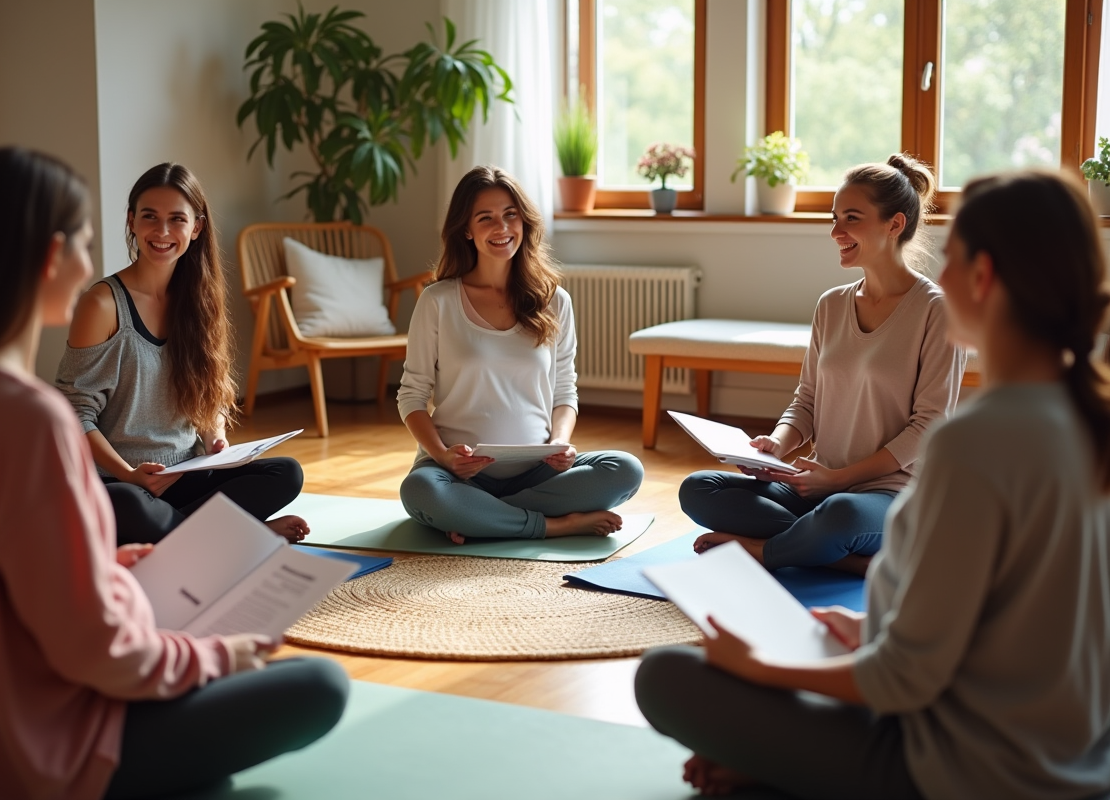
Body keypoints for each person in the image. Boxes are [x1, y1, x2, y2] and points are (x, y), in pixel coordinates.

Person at [634, 169, 1110, 799]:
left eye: (954, 258)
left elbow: (901, 684)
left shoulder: (974, 446)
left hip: (974, 770)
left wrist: (763, 668)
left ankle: (784, 764)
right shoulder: (1087, 424)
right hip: (1074, 757)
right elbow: (1020, 621)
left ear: (983, 276)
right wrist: (874, 630)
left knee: (665, 673)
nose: (939, 278)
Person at [0, 149, 348, 799]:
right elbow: (97, 654)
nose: (92, 261)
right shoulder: (31, 419)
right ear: (50, 257)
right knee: (320, 687)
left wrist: (109, 566)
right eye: (86, 241)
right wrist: (219, 656)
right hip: (33, 750)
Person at [680, 154, 965, 574]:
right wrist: (777, 444)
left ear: (895, 224)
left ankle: (765, 551)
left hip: (889, 495)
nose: (836, 232)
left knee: (842, 517)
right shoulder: (831, 304)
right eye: (834, 218)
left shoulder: (937, 311)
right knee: (700, 489)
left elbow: (928, 427)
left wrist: (840, 479)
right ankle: (848, 559)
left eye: (851, 218)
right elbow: (807, 399)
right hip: (815, 486)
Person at [56, 163, 307, 546]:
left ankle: (182, 539)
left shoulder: (199, 302)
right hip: (122, 482)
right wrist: (128, 473)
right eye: (150, 217)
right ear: (132, 222)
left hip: (187, 474)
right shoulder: (102, 305)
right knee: (125, 504)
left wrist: (216, 439)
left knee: (286, 473)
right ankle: (239, 537)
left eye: (177, 219)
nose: (162, 232)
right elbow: (75, 413)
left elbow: (208, 394)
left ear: (197, 227)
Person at [397, 165, 643, 543]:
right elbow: (411, 395)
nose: (502, 228)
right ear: (466, 229)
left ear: (524, 222)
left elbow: (565, 390)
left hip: (538, 469)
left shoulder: (555, 301)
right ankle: (553, 523)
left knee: (626, 469)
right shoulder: (438, 301)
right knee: (420, 492)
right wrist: (444, 456)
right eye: (486, 218)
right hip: (457, 473)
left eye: (510, 215)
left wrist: (560, 442)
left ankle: (482, 517)